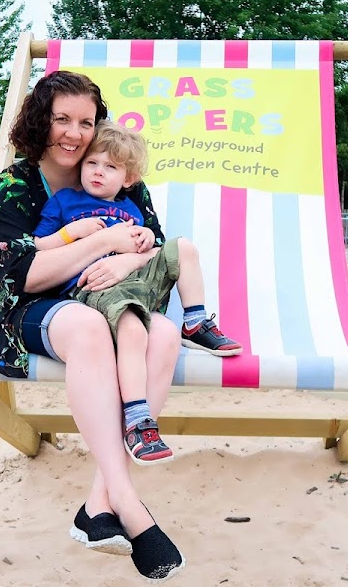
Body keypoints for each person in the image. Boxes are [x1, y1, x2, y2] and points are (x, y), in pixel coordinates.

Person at [0, 70, 184, 582]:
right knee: (90, 327)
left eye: (85, 122)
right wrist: (96, 243)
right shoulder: (15, 185)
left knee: (166, 333)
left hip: (110, 296)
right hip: (33, 308)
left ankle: (97, 506)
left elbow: (154, 244)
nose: (73, 133)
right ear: (39, 120)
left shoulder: (117, 174)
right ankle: (130, 506)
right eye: (61, 119)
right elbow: (21, 275)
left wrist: (126, 262)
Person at [33, 121, 242, 464]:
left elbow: (152, 246)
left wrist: (146, 241)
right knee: (132, 327)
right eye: (92, 163)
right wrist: (72, 232)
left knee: (184, 248)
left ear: (128, 179)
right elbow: (39, 246)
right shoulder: (65, 202)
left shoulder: (131, 208)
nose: (99, 172)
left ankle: (195, 321)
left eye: (110, 167)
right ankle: (137, 418)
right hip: (95, 287)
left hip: (137, 282)